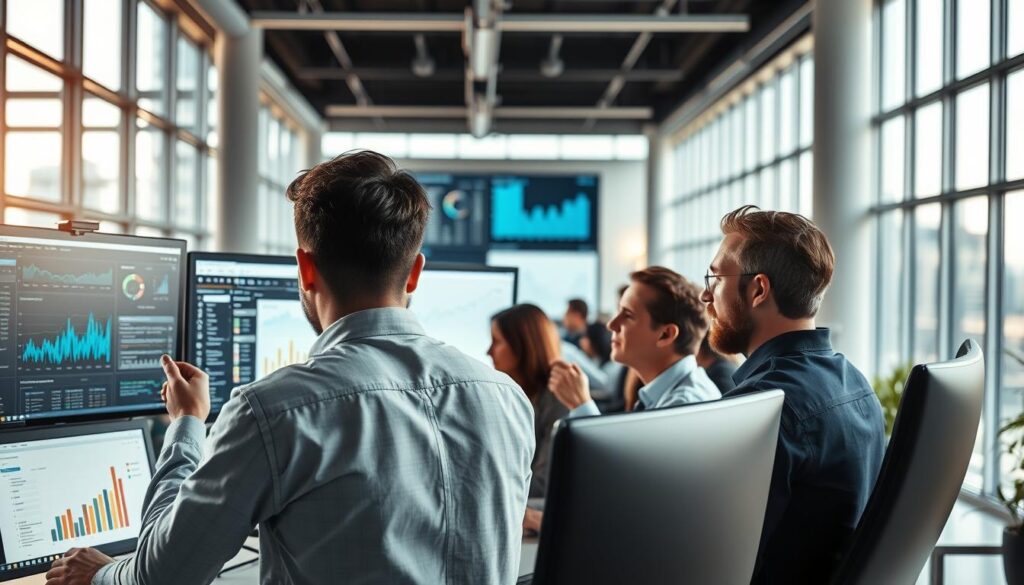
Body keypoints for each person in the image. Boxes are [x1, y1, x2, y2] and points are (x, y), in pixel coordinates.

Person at [45, 151, 535, 585]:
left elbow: (163, 576)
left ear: (305, 268)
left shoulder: (274, 411)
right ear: (415, 273)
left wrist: (187, 423)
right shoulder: (507, 398)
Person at [701, 205, 885, 584]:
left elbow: (714, 559)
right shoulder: (855, 382)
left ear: (758, 290)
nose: (705, 295)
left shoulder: (761, 409)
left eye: (715, 278)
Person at [548, 266, 721, 418]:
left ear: (665, 335)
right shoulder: (665, 395)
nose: (611, 325)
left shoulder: (681, 407)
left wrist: (582, 405)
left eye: (628, 315)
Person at [489, 304, 568, 500]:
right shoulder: (512, 395)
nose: (488, 351)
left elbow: (543, 484)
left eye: (496, 342)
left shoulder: (557, 399)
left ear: (523, 346)